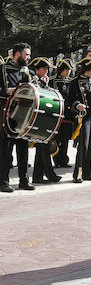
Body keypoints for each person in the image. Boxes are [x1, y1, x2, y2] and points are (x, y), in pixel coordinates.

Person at [66, 56, 91, 184]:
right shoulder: (75, 82)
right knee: (83, 145)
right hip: (83, 116)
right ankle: (78, 174)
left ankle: (89, 172)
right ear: (88, 69)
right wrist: (78, 105)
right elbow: (70, 100)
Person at [1, 43, 32, 192]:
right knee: (6, 151)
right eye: (26, 55)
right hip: (6, 114)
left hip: (22, 114)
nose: (29, 57)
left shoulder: (25, 71)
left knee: (23, 147)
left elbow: (30, 89)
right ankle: (3, 182)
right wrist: (7, 91)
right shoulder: (3, 68)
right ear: (17, 54)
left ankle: (24, 181)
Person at [29, 58, 61, 184]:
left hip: (43, 117)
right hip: (37, 118)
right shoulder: (33, 80)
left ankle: (38, 176)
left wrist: (47, 86)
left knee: (42, 146)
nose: (47, 71)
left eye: (47, 69)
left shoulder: (42, 80)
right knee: (43, 146)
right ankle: (49, 174)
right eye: (44, 69)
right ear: (37, 70)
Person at [51, 59, 74, 168]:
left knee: (65, 138)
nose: (68, 72)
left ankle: (64, 159)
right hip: (57, 113)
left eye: (69, 69)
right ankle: (56, 159)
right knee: (57, 138)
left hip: (68, 113)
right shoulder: (52, 81)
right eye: (66, 69)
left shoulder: (71, 81)